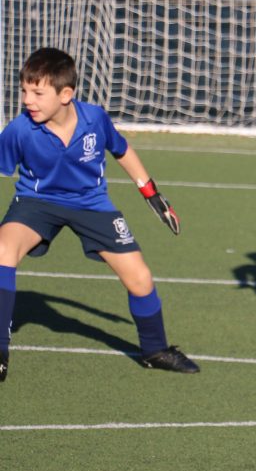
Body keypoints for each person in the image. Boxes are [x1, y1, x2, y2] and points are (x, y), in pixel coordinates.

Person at [0, 48, 200, 382]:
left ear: (66, 94)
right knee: (3, 251)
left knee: (140, 278)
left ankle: (155, 350)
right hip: (36, 201)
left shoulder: (95, 119)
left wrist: (150, 193)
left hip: (92, 204)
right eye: (24, 91)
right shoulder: (19, 129)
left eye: (37, 92)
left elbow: (122, 150)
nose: (27, 100)